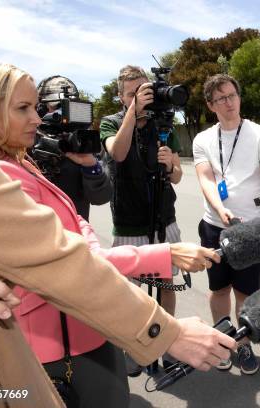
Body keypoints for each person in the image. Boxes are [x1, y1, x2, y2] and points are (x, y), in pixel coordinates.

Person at [0, 61, 227, 408]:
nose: (38, 120)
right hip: (64, 349)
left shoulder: (22, 161)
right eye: (23, 109)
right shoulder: (1, 174)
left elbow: (75, 215)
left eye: (35, 107)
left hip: (91, 330)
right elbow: (60, 258)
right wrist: (165, 256)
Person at [192, 73, 260, 375]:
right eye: (221, 99)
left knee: (245, 293)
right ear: (211, 105)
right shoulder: (202, 139)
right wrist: (220, 210)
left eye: (232, 95)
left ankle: (242, 344)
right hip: (214, 226)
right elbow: (205, 179)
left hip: (253, 228)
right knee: (219, 289)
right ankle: (222, 340)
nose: (229, 103)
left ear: (239, 97)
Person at [100, 65, 183, 375]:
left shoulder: (163, 124)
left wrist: (171, 166)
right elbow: (118, 153)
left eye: (142, 90)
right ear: (122, 97)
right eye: (131, 93)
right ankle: (134, 346)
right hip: (129, 221)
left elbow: (176, 175)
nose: (139, 97)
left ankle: (168, 342)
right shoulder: (112, 123)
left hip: (163, 219)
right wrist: (134, 113)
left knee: (166, 284)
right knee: (132, 291)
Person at [33, 75, 112, 221]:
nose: (63, 111)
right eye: (57, 106)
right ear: (40, 108)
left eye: (69, 105)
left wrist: (91, 166)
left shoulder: (83, 142)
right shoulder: (25, 141)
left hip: (77, 235)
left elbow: (101, 198)